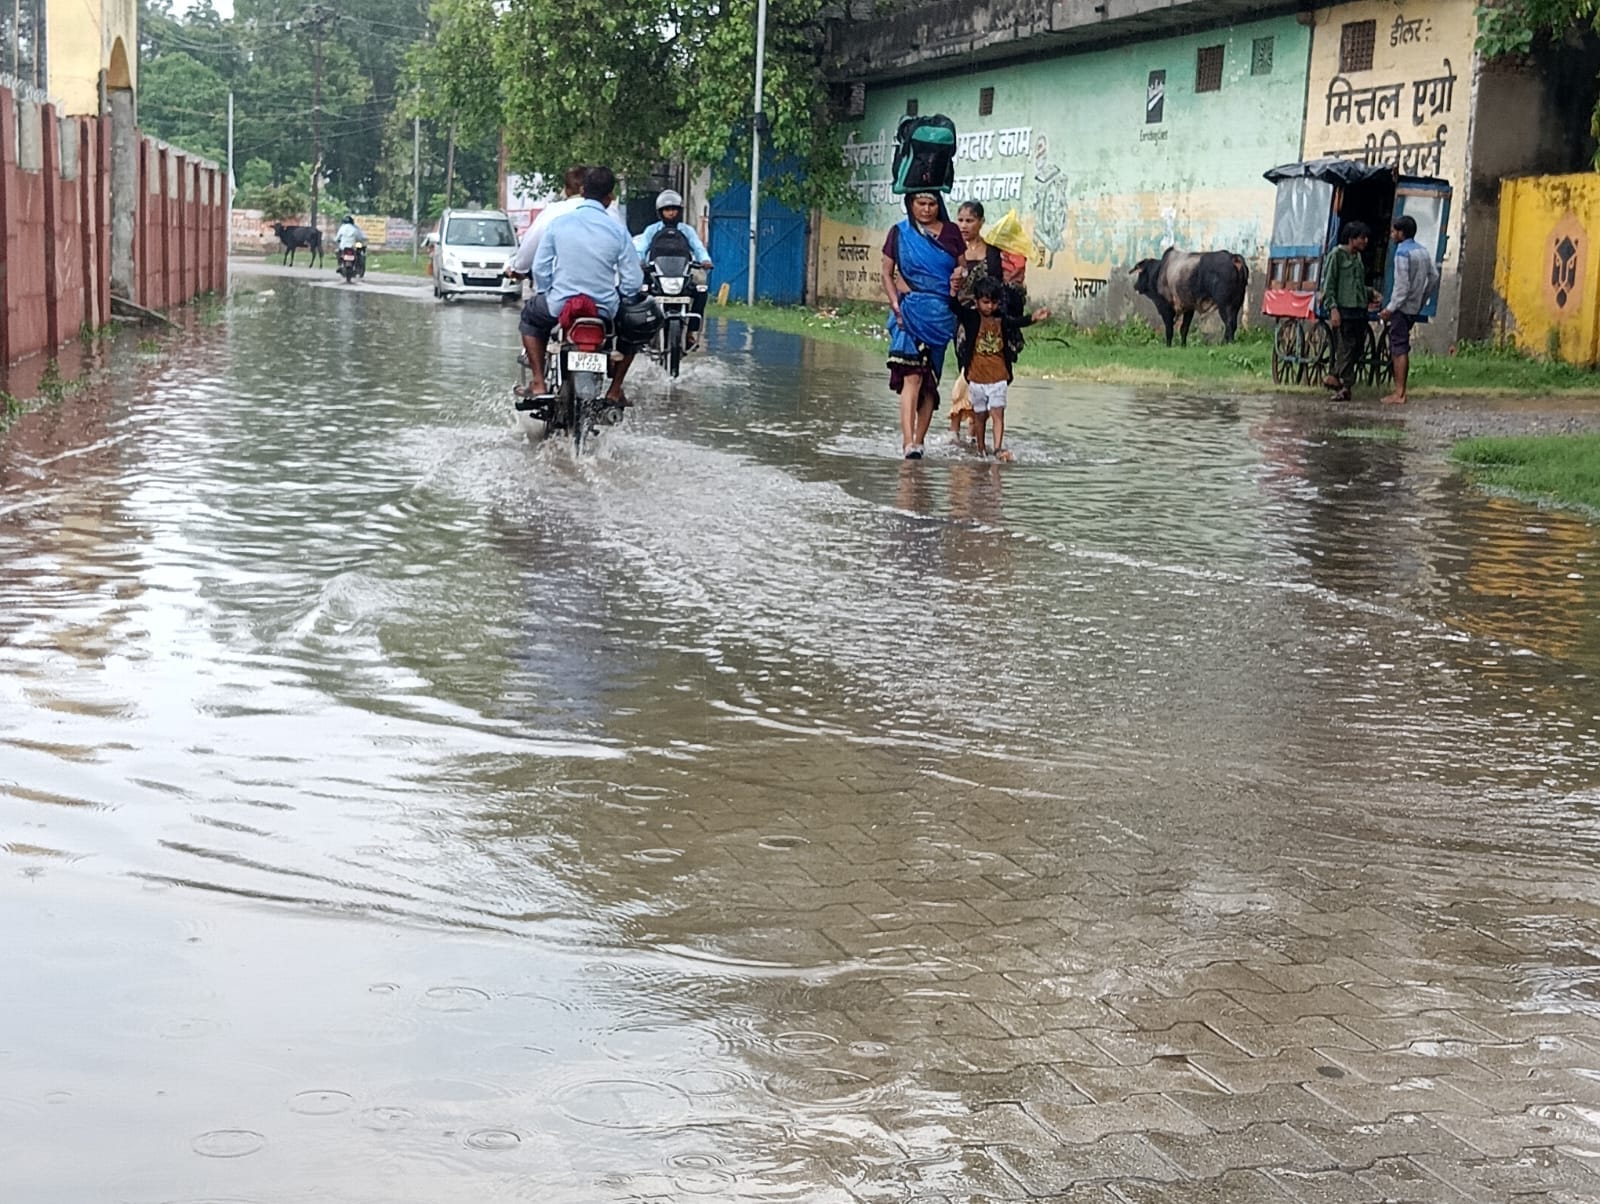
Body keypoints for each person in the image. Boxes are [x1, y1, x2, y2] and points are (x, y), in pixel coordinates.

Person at [520, 166, 646, 406]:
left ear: (583, 190)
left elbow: (541, 269)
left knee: (530, 318)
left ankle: (538, 382)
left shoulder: (558, 224)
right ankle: (615, 389)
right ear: (609, 199)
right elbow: (633, 281)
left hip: (560, 306)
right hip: (604, 310)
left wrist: (548, 292)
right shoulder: (618, 231)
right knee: (634, 328)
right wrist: (619, 296)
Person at [882, 191, 964, 459]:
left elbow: (962, 269)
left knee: (930, 382)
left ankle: (920, 440)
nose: (927, 209)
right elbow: (886, 273)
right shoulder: (899, 233)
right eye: (921, 204)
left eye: (932, 204)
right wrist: (895, 304)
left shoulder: (951, 233)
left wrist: (958, 278)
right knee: (912, 377)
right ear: (910, 204)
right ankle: (908, 443)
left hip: (941, 316)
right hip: (909, 314)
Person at [948, 276, 1049, 461]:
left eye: (994, 302)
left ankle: (997, 449)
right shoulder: (971, 318)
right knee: (979, 416)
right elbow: (954, 307)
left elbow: (1015, 322)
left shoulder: (1000, 319)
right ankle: (980, 449)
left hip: (998, 377)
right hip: (977, 377)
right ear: (977, 302)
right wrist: (953, 291)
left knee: (997, 413)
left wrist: (1033, 318)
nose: (990, 307)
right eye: (985, 302)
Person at [634, 189, 713, 347]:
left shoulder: (687, 231)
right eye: (667, 209)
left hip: (681, 279)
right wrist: (638, 262)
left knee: (701, 292)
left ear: (680, 211)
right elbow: (640, 249)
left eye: (674, 209)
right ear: (660, 212)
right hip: (656, 278)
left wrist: (705, 260)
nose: (671, 213)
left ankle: (691, 332)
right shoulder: (651, 230)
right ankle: (642, 334)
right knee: (639, 293)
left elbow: (698, 248)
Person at [1379, 214, 1439, 406]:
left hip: (1402, 308)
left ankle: (1399, 392)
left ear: (1401, 233)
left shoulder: (1402, 253)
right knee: (1401, 345)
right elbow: (1434, 277)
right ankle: (1400, 391)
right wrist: (1421, 300)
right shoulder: (1422, 251)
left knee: (1399, 348)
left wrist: (1390, 308)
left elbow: (1402, 286)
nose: (1391, 234)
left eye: (1394, 231)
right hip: (1414, 307)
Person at [1319, 220, 1380, 402]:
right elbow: (1329, 284)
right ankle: (1346, 385)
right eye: (1362, 238)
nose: (1365, 241)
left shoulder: (1357, 258)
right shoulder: (1336, 255)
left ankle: (1334, 376)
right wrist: (1333, 308)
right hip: (1344, 309)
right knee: (1346, 347)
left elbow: (1357, 285)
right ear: (1352, 239)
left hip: (1358, 310)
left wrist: (1371, 293)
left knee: (1357, 348)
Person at [507, 166, 587, 278]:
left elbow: (530, 245)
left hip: (559, 287)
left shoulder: (553, 212)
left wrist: (518, 268)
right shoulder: (608, 212)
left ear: (566, 190)